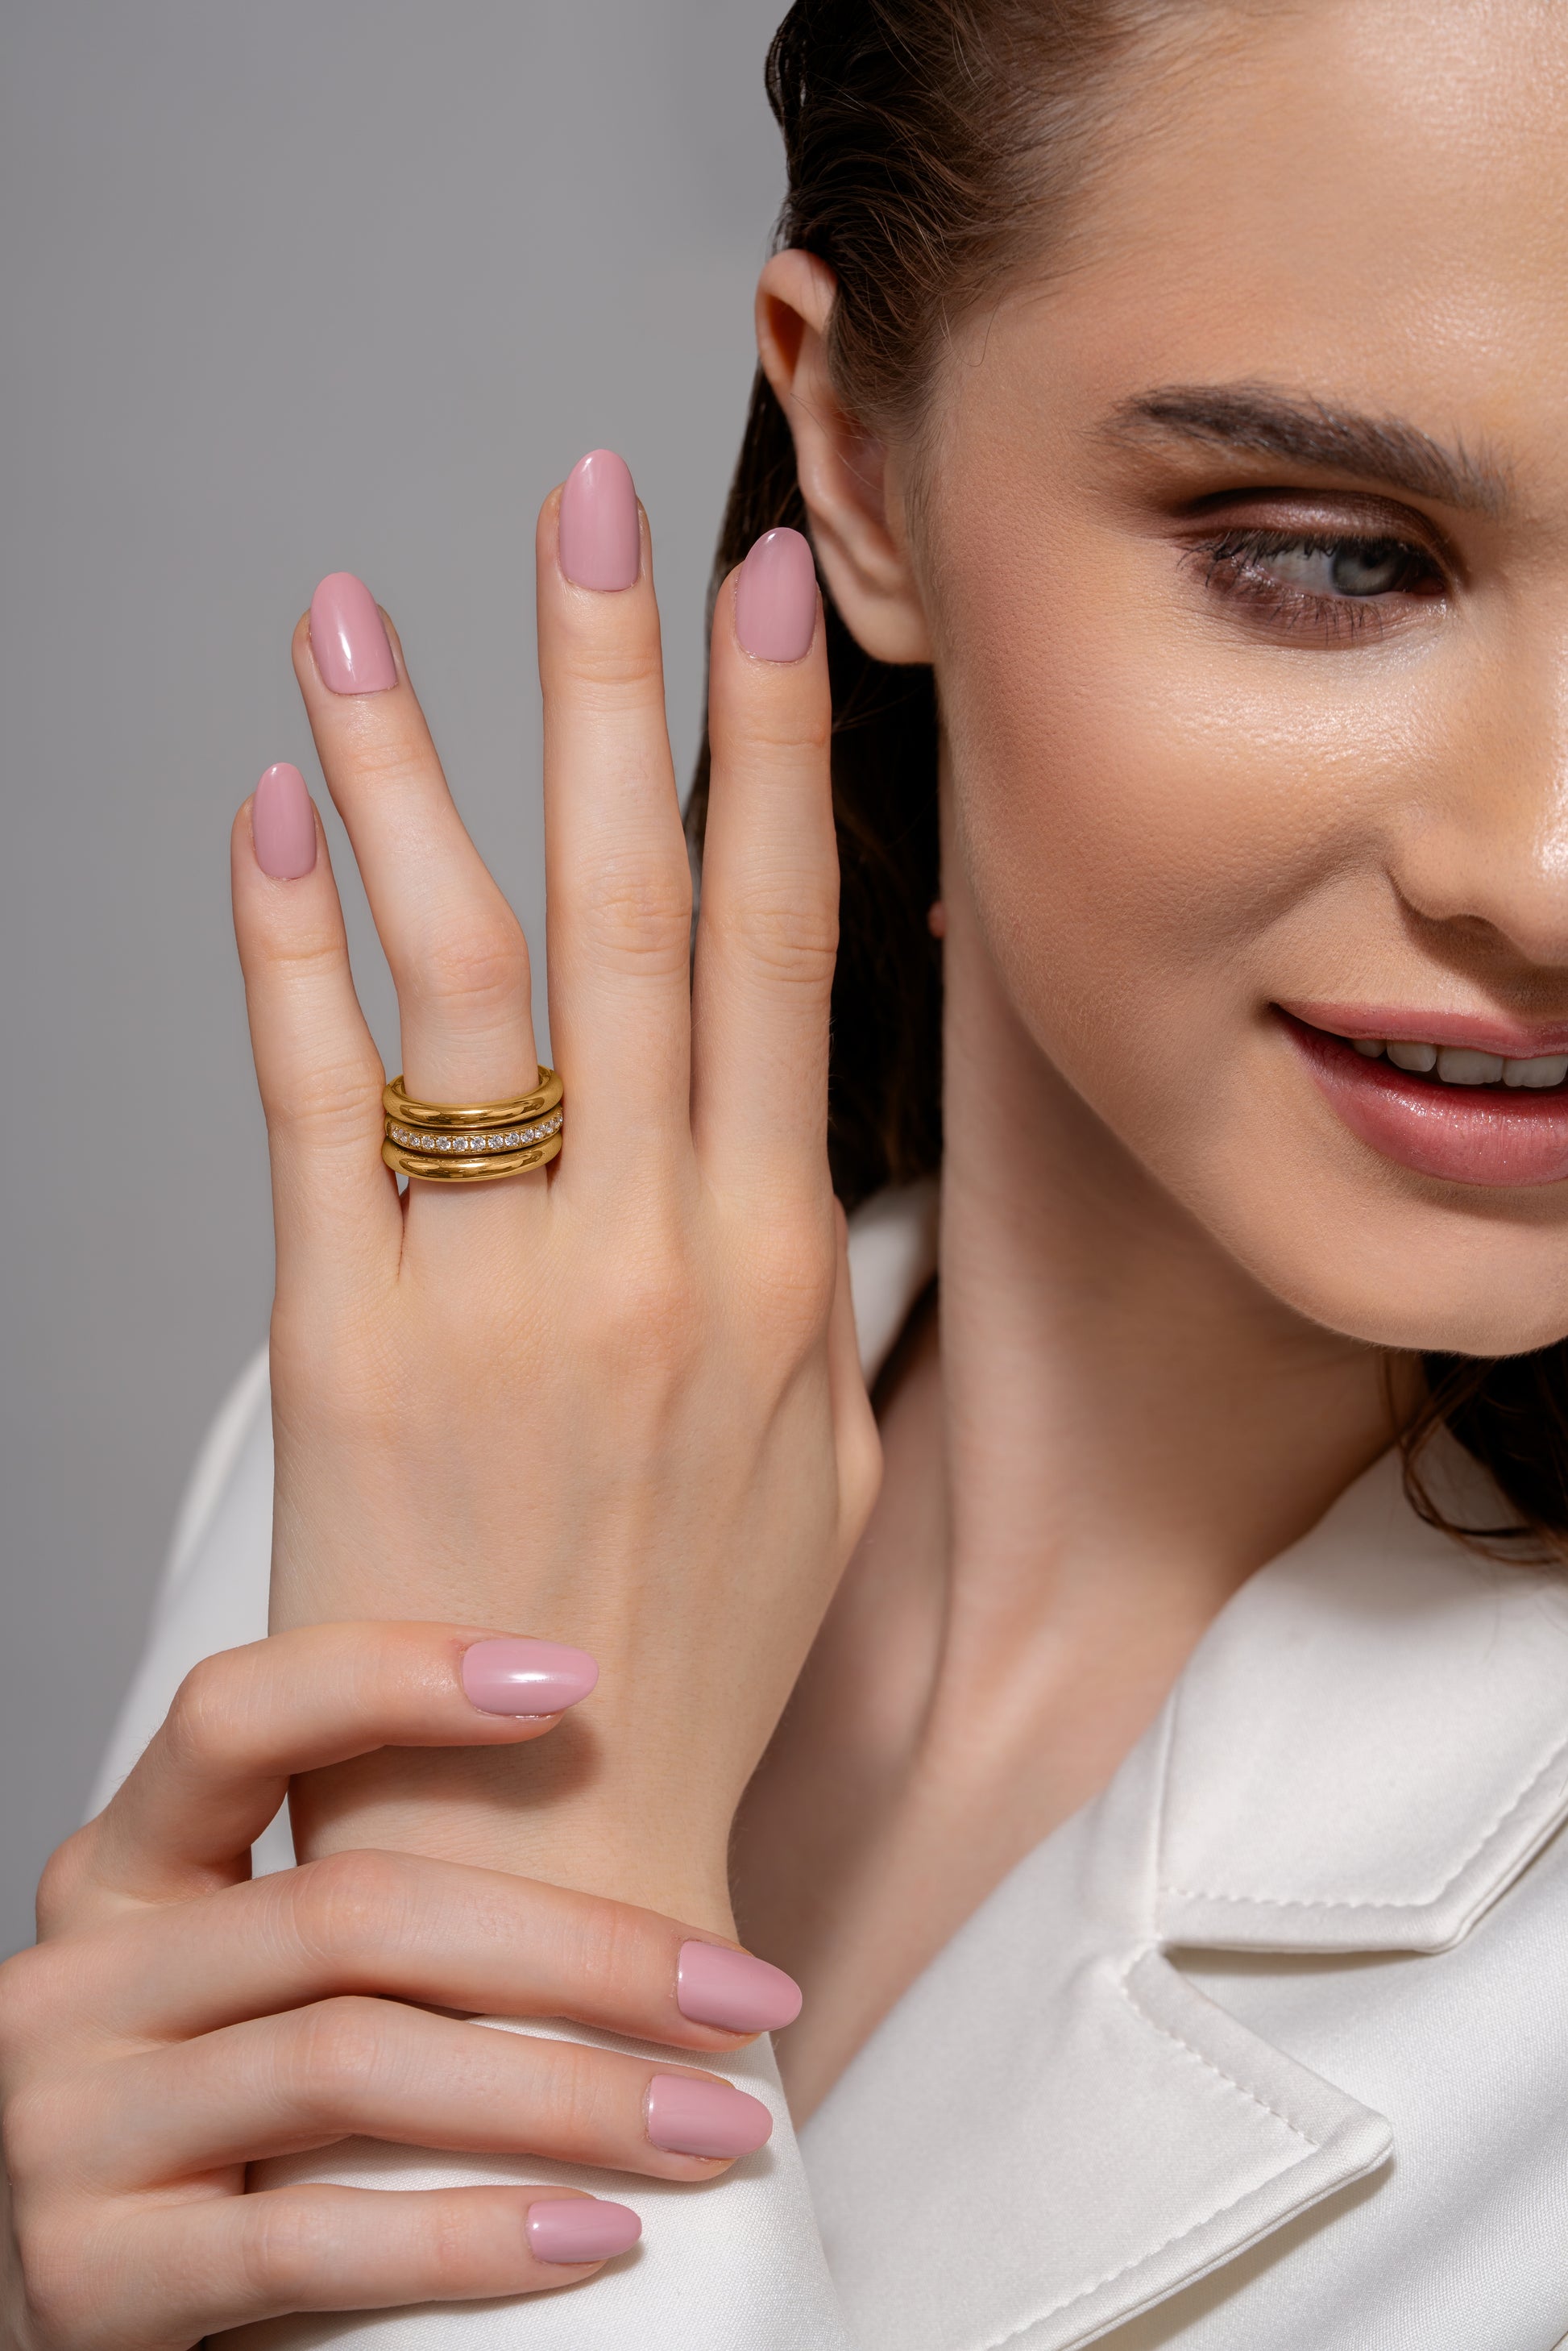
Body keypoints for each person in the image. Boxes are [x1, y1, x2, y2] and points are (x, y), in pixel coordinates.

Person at [6, 0, 1568, 2341]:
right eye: (1333, 561)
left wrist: (521, 1987)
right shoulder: (433, 1428)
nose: (1543, 866)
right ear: (853, 460)